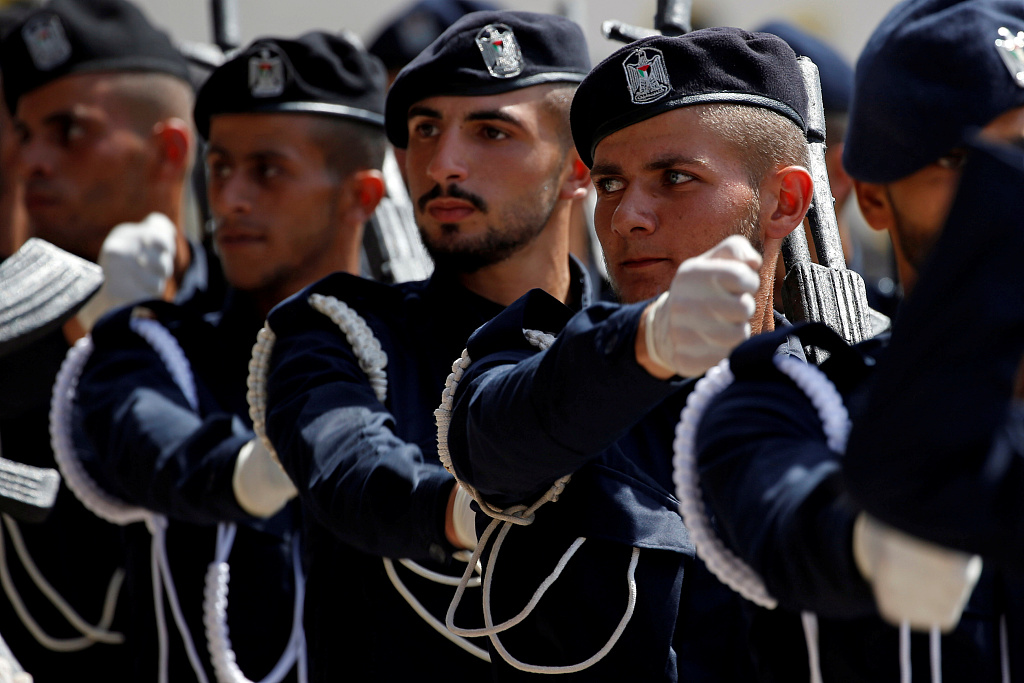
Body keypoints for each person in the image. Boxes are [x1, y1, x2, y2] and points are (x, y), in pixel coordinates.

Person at [444, 27, 818, 680]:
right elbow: (491, 441)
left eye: (675, 177)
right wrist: (648, 343)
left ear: (784, 201)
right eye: (610, 185)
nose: (627, 218)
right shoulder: (552, 363)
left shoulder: (849, 394)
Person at [685, 0, 1024, 678]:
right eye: (965, 160)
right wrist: (872, 547)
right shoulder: (792, 400)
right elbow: (793, 525)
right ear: (870, 197)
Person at [257, 10, 592, 681]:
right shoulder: (339, 331)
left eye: (492, 131)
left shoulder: (636, 353)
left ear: (579, 166)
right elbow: (349, 471)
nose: (442, 165)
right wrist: (481, 509)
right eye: (424, 130)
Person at [59, 31, 388, 682]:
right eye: (221, 167)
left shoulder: (416, 358)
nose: (230, 199)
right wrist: (247, 472)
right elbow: (144, 433)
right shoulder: (158, 351)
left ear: (361, 195)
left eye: (268, 170)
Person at [0, 1, 218, 678]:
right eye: (28, 132)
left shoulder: (252, 337)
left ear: (170, 150)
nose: (32, 160)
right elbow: (74, 624)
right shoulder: (12, 367)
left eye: (69, 131)